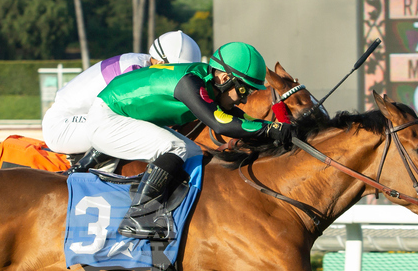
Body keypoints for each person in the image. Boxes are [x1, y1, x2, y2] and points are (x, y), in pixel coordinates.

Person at [82, 41, 292, 240]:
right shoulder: (190, 83)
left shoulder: (204, 79)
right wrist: (270, 129)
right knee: (176, 147)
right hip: (107, 119)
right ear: (225, 78)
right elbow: (221, 123)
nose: (245, 99)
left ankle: (173, 209)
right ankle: (137, 216)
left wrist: (275, 128)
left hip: (119, 115)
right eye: (245, 90)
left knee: (193, 153)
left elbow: (235, 115)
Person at [42, 31, 202, 173]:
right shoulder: (135, 69)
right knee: (133, 131)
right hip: (63, 126)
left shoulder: (147, 64)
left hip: (88, 117)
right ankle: (81, 174)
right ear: (160, 63)